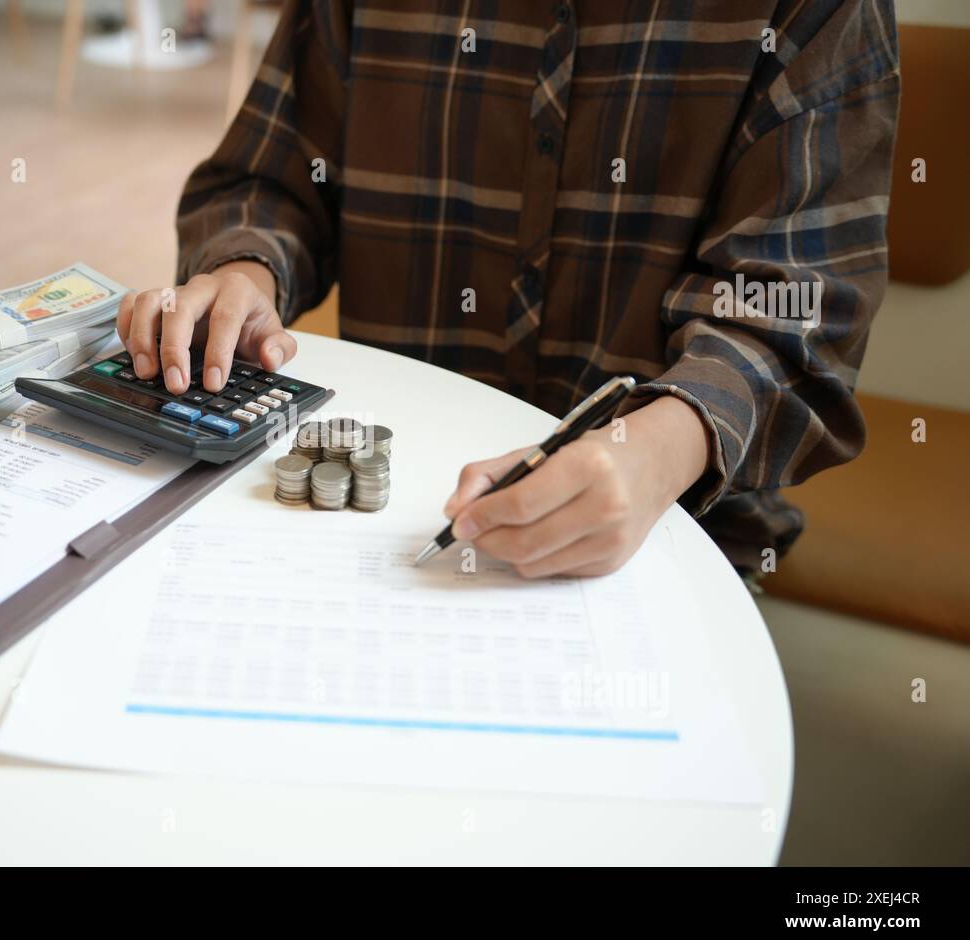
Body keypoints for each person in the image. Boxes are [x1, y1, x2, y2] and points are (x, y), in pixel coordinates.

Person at [118, 1, 900, 579]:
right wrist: (244, 272)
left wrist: (659, 449)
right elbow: (275, 177)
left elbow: (795, 310)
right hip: (377, 529)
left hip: (677, 531)